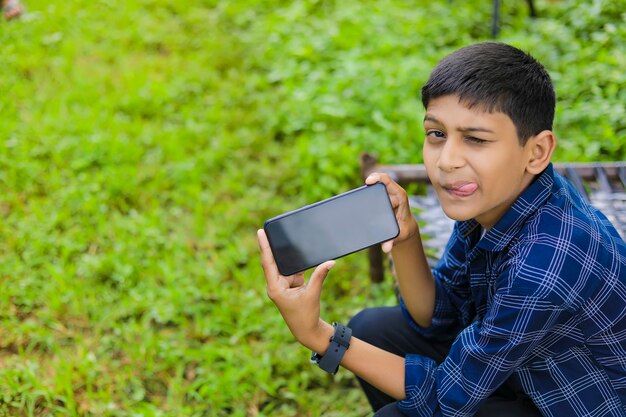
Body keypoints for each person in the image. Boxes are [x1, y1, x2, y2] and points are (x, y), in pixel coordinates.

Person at [257, 42, 626, 416]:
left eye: (476, 139)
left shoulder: (546, 263)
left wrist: (317, 336)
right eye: (436, 134)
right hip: (524, 368)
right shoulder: (497, 200)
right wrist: (406, 237)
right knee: (372, 329)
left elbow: (445, 397)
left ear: (536, 152)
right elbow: (438, 318)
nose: (447, 161)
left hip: (576, 401)